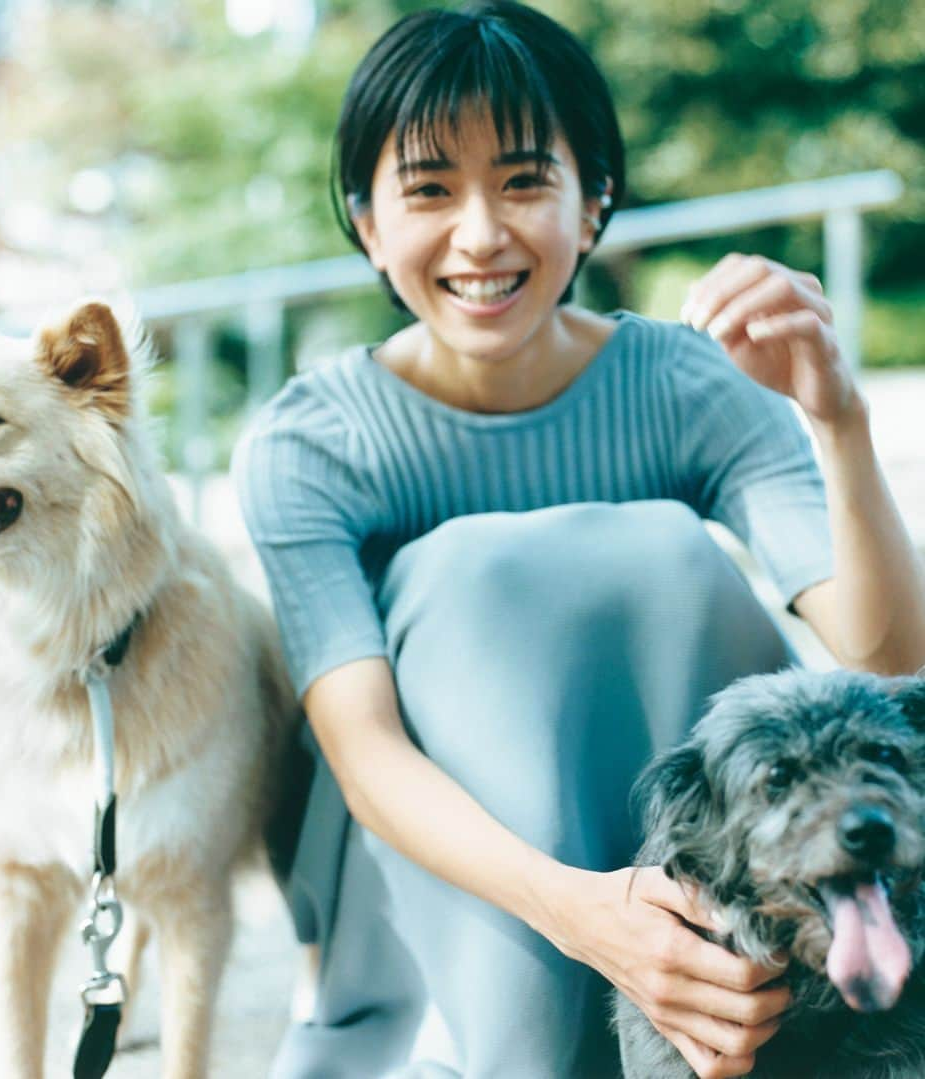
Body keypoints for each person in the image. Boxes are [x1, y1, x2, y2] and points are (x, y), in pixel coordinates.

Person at [233, 3, 925, 1077]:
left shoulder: (687, 380)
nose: (480, 233)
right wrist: (586, 914)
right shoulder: (312, 445)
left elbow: (888, 666)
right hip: (464, 884)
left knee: (657, 551)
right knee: (472, 569)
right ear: (367, 221)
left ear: (593, 201)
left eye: (522, 180)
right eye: (427, 189)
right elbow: (364, 754)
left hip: (717, 874)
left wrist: (837, 417)